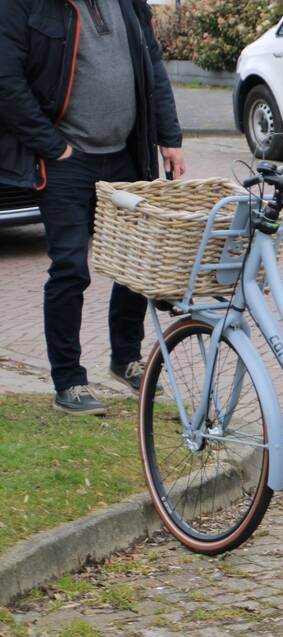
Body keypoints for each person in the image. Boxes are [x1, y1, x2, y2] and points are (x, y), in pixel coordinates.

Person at [0, 0, 185, 416]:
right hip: (67, 160)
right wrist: (53, 147)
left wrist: (169, 137)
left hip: (126, 154)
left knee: (136, 262)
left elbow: (152, 67)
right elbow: (7, 83)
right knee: (70, 268)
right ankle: (69, 380)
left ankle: (125, 357)